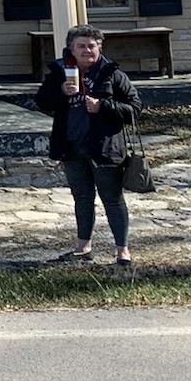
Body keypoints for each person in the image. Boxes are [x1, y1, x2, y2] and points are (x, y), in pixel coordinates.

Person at [34, 24, 142, 267]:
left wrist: (102, 106)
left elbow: (135, 109)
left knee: (112, 200)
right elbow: (41, 102)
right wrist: (61, 91)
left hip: (105, 149)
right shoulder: (60, 72)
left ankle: (122, 251)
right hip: (72, 148)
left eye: (91, 46)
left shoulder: (112, 73)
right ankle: (83, 248)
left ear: (99, 48)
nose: (87, 50)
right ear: (71, 49)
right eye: (81, 46)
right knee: (82, 199)